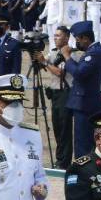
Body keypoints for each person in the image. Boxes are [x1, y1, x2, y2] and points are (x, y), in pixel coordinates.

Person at [65, 20, 101, 158]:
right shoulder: (92, 51)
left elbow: (79, 74)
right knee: (83, 142)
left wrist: (67, 58)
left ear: (85, 38)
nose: (77, 43)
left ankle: (83, 173)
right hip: (84, 103)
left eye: (78, 39)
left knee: (83, 143)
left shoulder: (95, 53)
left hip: (86, 104)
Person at [38, 26, 74, 169]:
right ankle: (60, 159)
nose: (55, 38)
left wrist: (44, 62)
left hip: (66, 93)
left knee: (65, 128)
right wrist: (37, 58)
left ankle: (64, 162)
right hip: (55, 94)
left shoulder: (70, 53)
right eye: (54, 35)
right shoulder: (53, 53)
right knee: (57, 127)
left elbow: (60, 73)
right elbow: (40, 64)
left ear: (66, 37)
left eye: (58, 36)